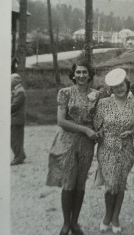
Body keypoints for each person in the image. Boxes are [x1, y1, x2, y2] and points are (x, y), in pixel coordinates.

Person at [46, 60, 100, 235]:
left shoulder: (96, 94)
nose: (82, 75)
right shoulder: (65, 93)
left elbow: (99, 119)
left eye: (85, 72)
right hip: (68, 142)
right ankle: (66, 223)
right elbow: (61, 121)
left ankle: (75, 222)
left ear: (90, 74)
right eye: (78, 72)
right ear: (73, 74)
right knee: (69, 182)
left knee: (80, 183)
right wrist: (85, 129)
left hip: (87, 144)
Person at [94, 68, 134, 234]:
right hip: (107, 149)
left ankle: (115, 217)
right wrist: (99, 132)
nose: (120, 89)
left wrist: (131, 131)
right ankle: (107, 216)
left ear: (127, 85)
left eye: (122, 85)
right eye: (116, 87)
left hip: (126, 150)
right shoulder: (103, 104)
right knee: (110, 185)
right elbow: (96, 124)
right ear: (111, 89)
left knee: (120, 185)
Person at [11, 73, 27, 165]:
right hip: (16, 119)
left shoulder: (20, 91)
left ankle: (18, 158)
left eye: (11, 80)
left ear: (15, 81)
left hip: (17, 119)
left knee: (15, 140)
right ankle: (21, 155)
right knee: (16, 139)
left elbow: (14, 106)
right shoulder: (17, 90)